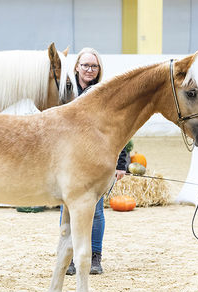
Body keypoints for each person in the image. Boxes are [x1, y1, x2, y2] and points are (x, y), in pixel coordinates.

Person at [64, 47, 128, 276]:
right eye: (85, 65)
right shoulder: (65, 93)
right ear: (76, 67)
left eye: (94, 66)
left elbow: (119, 129)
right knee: (67, 210)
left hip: (96, 161)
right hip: (68, 161)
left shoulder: (105, 94)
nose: (89, 70)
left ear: (99, 69)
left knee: (97, 210)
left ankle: (95, 257)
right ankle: (68, 257)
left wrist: (121, 163)